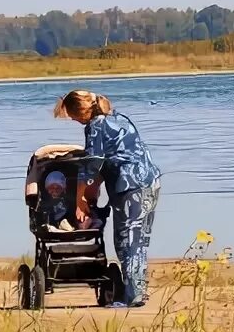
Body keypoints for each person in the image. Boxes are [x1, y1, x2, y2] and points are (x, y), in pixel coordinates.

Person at [53, 89, 161, 307]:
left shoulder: (95, 127)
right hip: (149, 181)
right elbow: (114, 157)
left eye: (73, 116)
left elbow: (92, 166)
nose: (74, 121)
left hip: (129, 186)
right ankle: (137, 291)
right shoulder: (119, 118)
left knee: (126, 241)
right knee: (139, 241)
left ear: (80, 112)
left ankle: (133, 297)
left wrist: (80, 200)